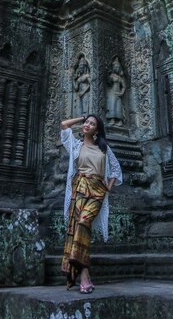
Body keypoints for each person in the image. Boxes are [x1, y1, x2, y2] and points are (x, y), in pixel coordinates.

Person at [60, 114, 122, 294]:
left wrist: (108, 188)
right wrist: (81, 118)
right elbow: (64, 125)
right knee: (80, 225)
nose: (87, 125)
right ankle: (84, 273)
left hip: (97, 191)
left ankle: (81, 269)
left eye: (92, 123)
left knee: (83, 222)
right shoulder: (75, 145)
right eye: (87, 122)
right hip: (79, 188)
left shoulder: (103, 148)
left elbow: (116, 170)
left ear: (97, 129)